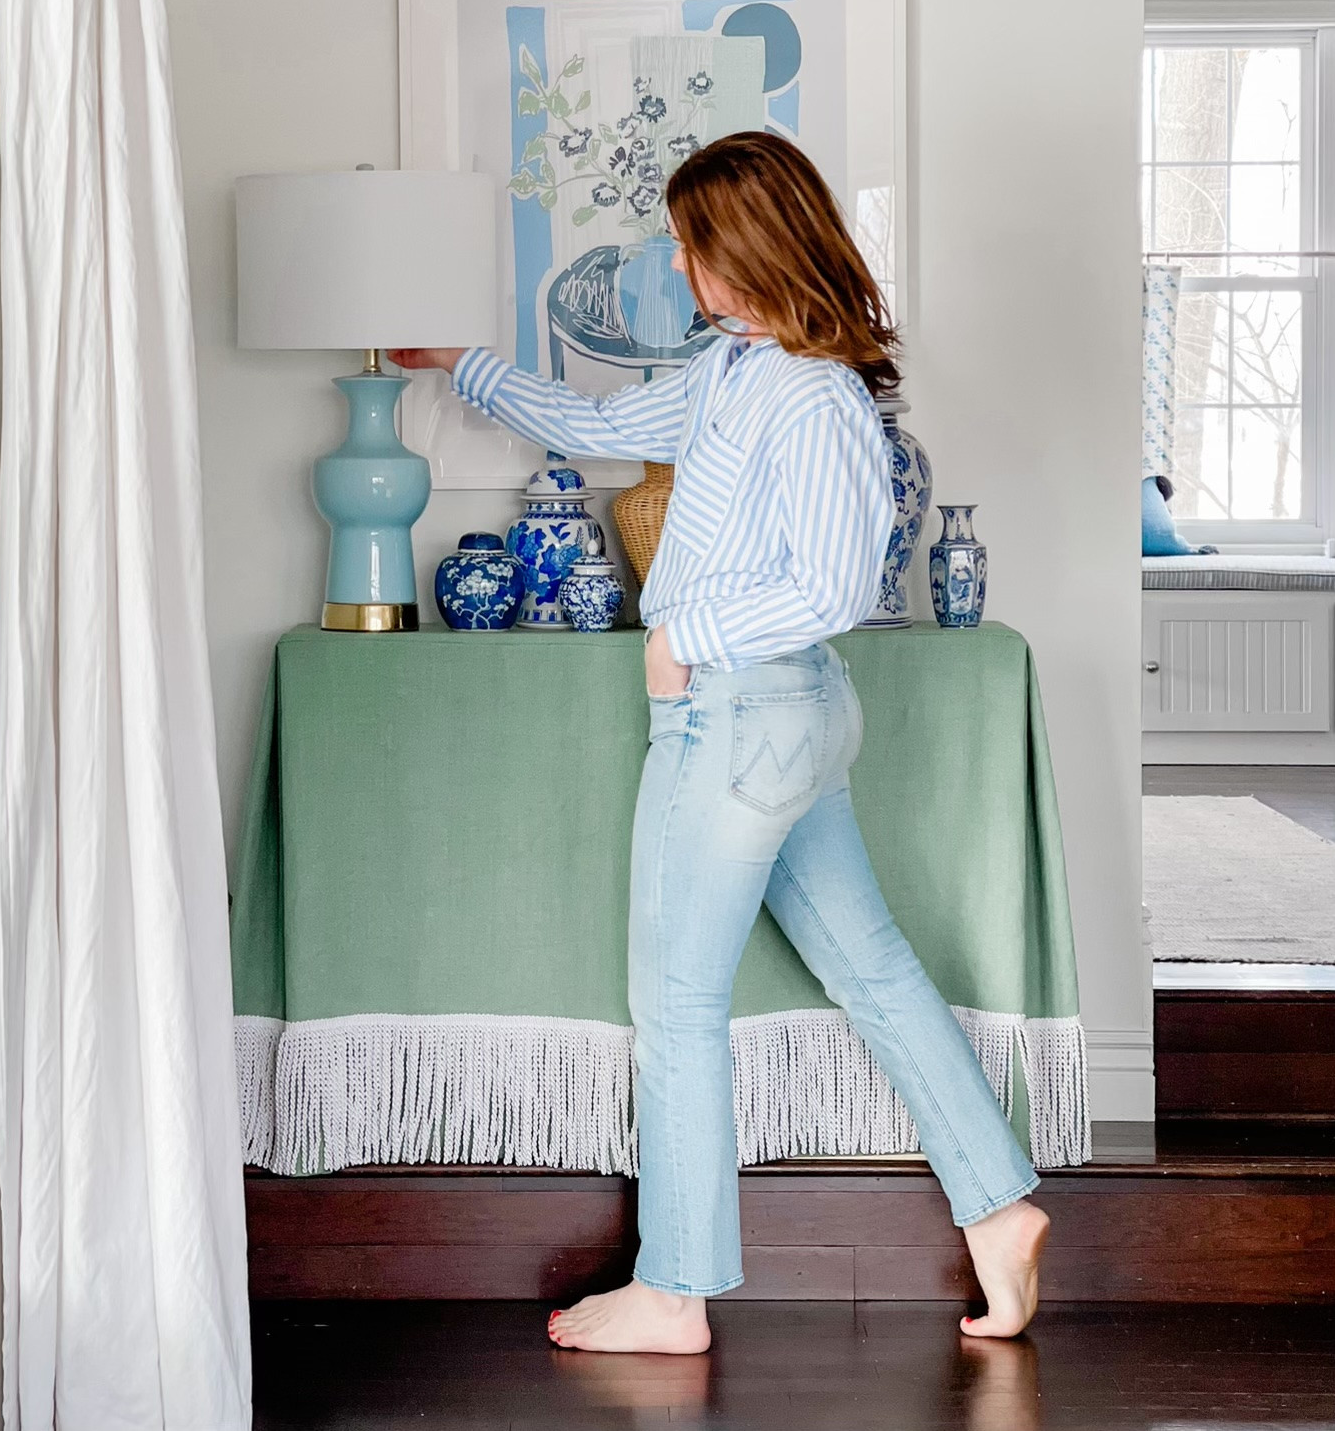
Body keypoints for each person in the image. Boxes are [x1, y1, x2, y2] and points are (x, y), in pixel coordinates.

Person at [390, 130, 1049, 1354]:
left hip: (744, 713)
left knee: (677, 1002)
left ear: (743, 251)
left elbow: (839, 581)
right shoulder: (734, 369)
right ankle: (1000, 1210)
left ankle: (675, 1289)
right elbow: (598, 421)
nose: (682, 269)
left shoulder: (818, 396)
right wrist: (464, 369)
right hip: (775, 719)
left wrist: (681, 633)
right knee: (875, 973)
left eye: (693, 247)